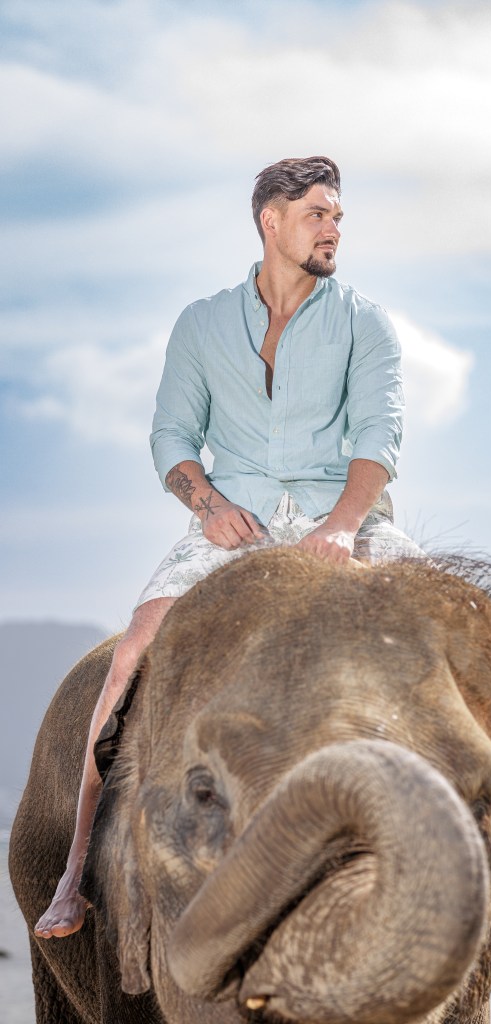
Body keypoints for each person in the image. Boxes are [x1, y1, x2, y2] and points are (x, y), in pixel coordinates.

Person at [34, 155, 424, 939]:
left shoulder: (365, 322)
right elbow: (172, 438)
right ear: (270, 222)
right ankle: (77, 870)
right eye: (317, 214)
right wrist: (209, 507)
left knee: (448, 628)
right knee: (131, 653)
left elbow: (378, 439)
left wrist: (341, 525)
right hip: (230, 523)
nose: (332, 229)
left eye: (337, 216)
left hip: (343, 517)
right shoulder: (202, 324)